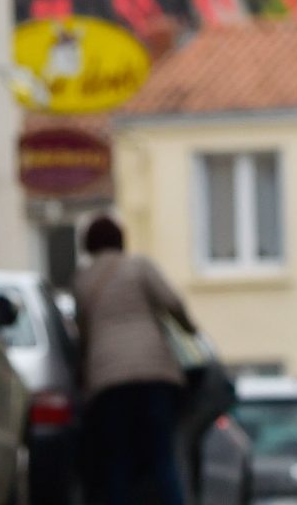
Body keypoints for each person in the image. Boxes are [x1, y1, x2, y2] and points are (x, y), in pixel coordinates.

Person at [72, 216, 193, 505]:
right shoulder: (139, 266)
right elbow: (172, 303)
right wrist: (190, 329)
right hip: (155, 375)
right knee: (162, 458)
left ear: (88, 245)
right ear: (120, 239)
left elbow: (83, 334)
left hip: (107, 382)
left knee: (117, 462)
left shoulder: (83, 280)